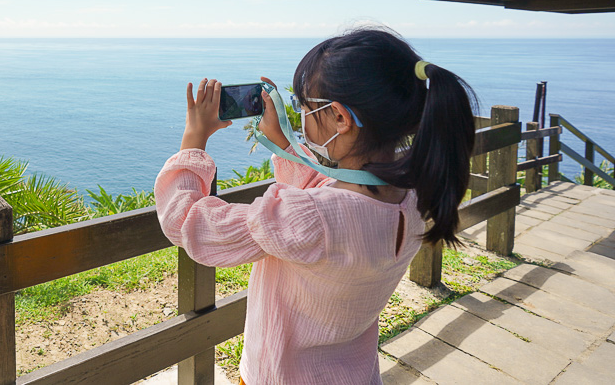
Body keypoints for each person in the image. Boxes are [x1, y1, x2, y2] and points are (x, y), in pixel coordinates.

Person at [154, 27, 476, 385]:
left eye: (304, 107)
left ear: (340, 117)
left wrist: (193, 140)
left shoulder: (313, 217)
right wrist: (282, 140)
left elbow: (187, 223)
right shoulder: (416, 196)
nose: (301, 116)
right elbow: (330, 194)